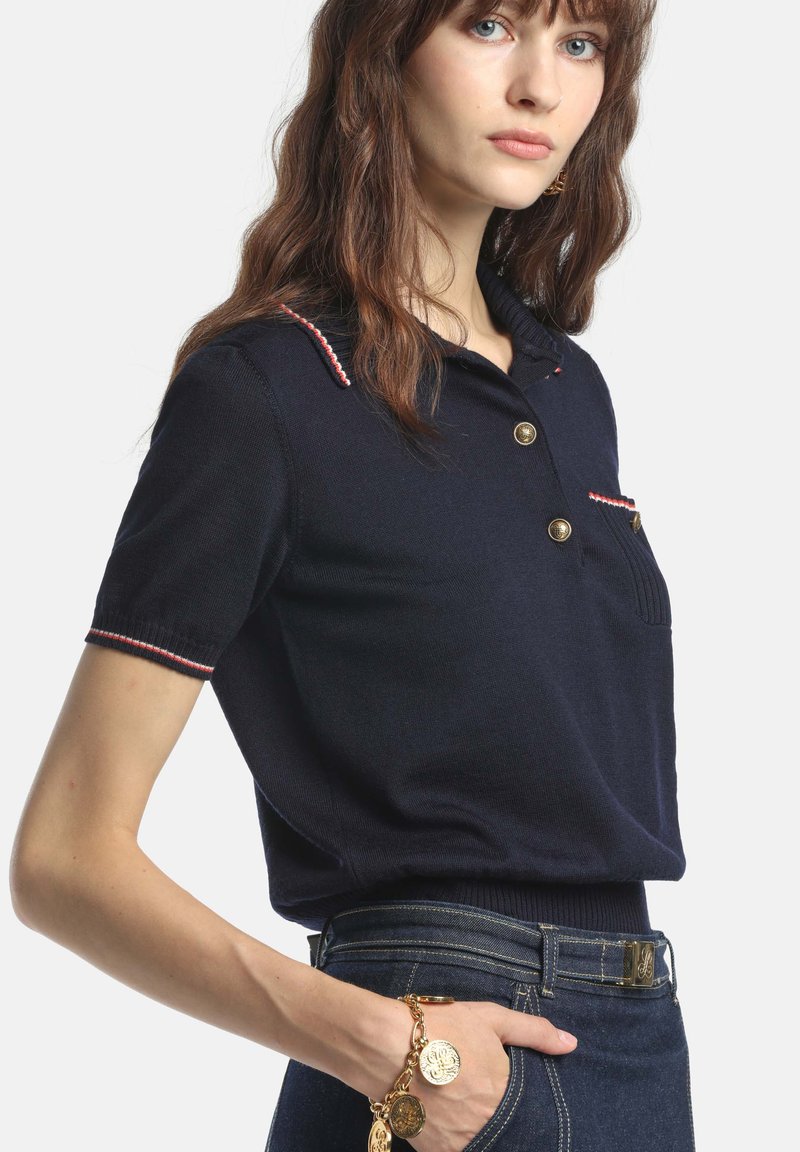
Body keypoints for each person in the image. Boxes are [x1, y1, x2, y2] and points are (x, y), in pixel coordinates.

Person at [10, 1, 695, 1149]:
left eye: (579, 43)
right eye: (489, 24)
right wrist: (388, 1048)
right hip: (435, 1040)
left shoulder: (564, 386)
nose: (539, 85)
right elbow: (63, 857)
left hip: (635, 1032)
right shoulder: (269, 389)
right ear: (383, 50)